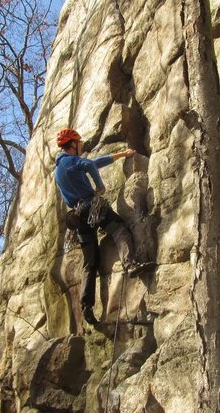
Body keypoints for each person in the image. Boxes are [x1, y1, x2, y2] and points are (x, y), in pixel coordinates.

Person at [54, 128, 154, 326]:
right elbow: (90, 164)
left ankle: (87, 307)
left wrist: (120, 155)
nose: (82, 145)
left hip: (79, 216)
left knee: (90, 262)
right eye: (79, 142)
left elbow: (94, 162)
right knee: (119, 229)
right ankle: (130, 264)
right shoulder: (70, 161)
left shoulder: (60, 169)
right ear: (72, 144)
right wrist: (99, 186)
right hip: (92, 206)